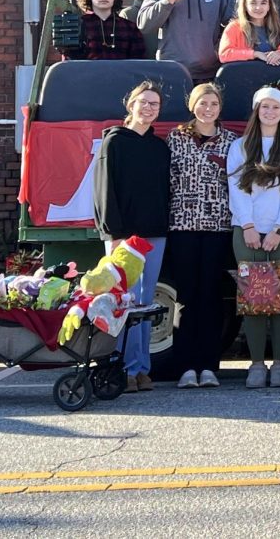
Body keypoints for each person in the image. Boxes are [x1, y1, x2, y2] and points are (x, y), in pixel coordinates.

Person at [227, 82, 280, 389]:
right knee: (254, 298)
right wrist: (248, 225)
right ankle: (257, 364)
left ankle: (279, 363)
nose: (270, 112)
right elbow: (236, 189)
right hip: (247, 230)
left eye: (276, 107)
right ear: (257, 110)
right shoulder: (240, 147)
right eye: (265, 106)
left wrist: (278, 228)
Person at [93, 81, 170, 392]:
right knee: (123, 302)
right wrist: (112, 234)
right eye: (144, 102)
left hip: (155, 236)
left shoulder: (159, 147)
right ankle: (122, 368)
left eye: (155, 104)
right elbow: (104, 192)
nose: (149, 108)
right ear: (131, 105)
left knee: (144, 303)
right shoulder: (114, 142)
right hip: (124, 236)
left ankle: (141, 369)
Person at [166, 83, 237, 390]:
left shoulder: (231, 142)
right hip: (181, 227)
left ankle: (208, 366)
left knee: (210, 296)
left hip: (217, 228)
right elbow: (167, 182)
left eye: (213, 104)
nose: (208, 109)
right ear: (192, 105)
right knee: (184, 298)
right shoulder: (176, 139)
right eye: (202, 103)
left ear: (220, 108)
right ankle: (185, 367)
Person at [58, 0, 146, 61]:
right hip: (87, 74)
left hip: (120, 74)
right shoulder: (78, 25)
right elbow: (69, 62)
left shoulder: (130, 27)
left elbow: (137, 64)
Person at [218, 0, 280, 65]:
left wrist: (279, 54)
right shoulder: (234, 27)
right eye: (253, 3)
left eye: (263, 3)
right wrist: (255, 54)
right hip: (244, 75)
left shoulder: (274, 27)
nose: (258, 7)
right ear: (245, 6)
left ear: (269, 6)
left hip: (271, 76)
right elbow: (224, 55)